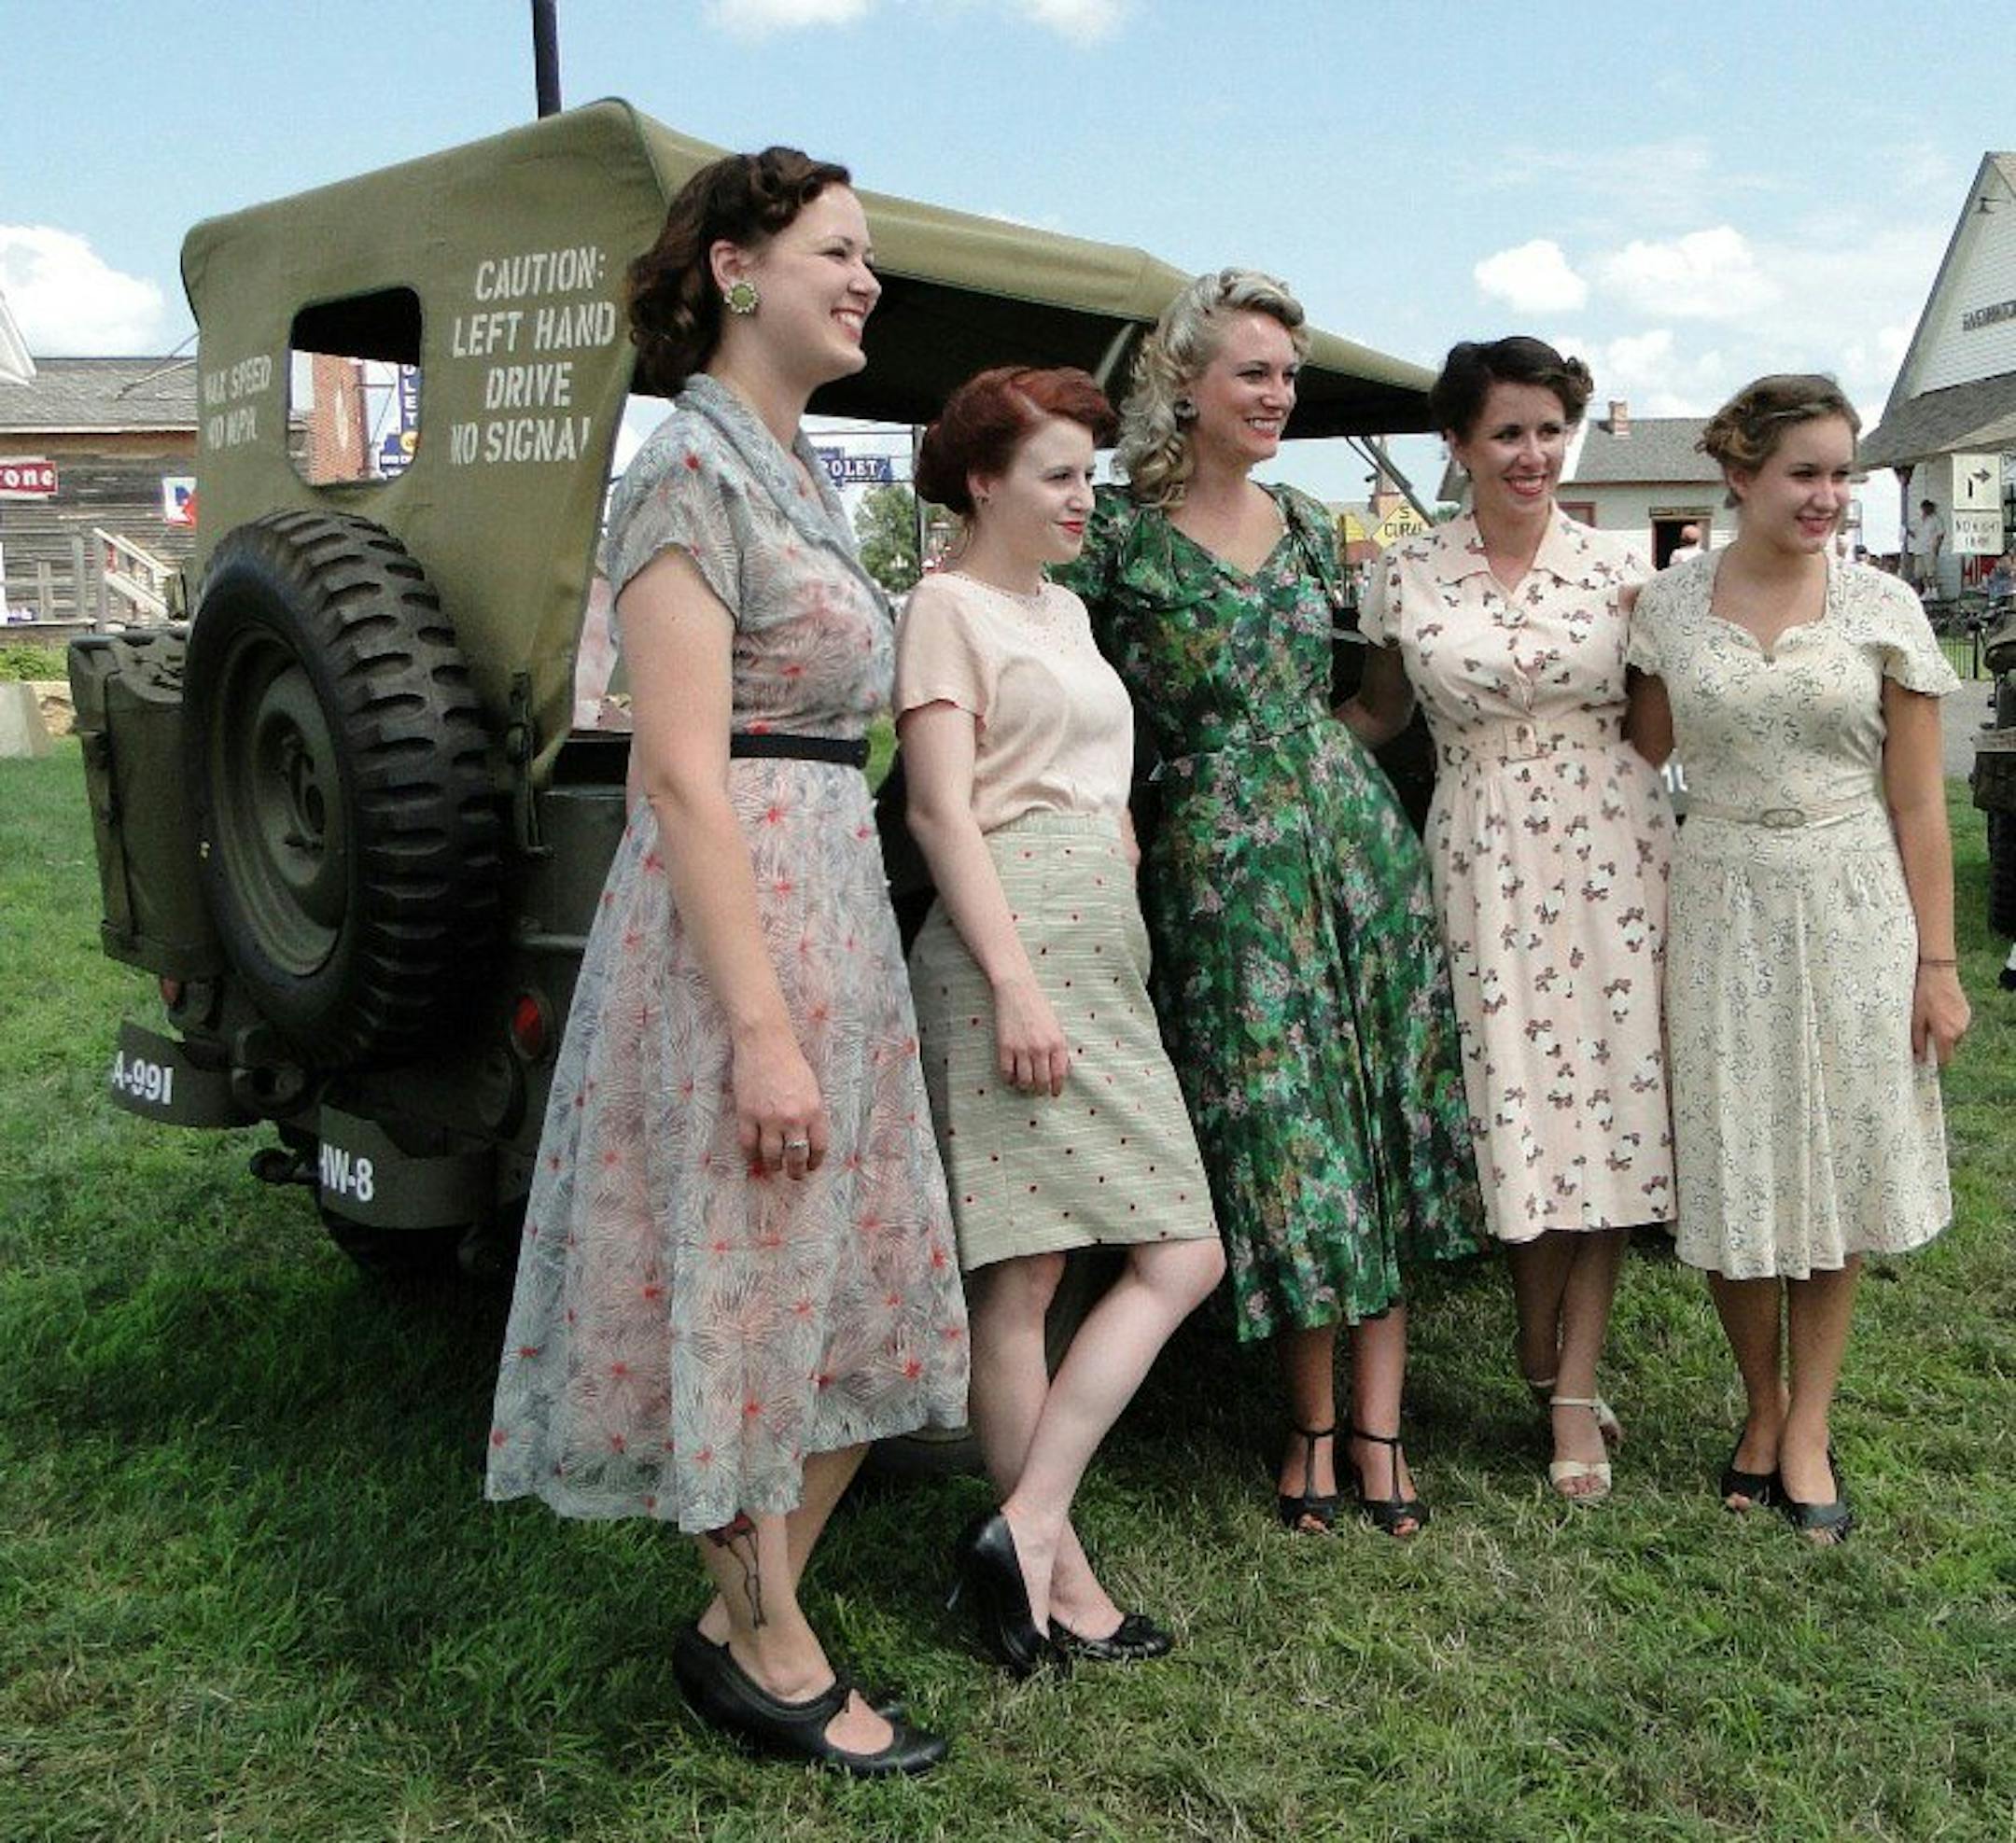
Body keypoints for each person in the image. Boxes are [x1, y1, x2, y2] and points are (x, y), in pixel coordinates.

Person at [485, 147, 968, 1774]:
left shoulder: (795, 472)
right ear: (736, 271)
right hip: (736, 932)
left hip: (829, 902)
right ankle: (769, 1647)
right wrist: (761, 1031)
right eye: (841, 250)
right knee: (747, 1281)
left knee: (842, 1293)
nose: (869, 280)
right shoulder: (686, 468)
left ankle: (738, 1619)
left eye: (871, 253)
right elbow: (678, 772)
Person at [1059, 270, 1483, 1540]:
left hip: (1355, 850)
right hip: (1219, 868)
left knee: (1379, 1121)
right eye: (1255, 371)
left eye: (1288, 375)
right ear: (1181, 383)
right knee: (1284, 1136)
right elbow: (1073, 708)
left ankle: (1383, 1425)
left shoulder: (1307, 523)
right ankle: (1307, 1421)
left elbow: (1368, 692)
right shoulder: (1115, 539)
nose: (1277, 394)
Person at [898, 365, 1225, 1671]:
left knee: (1170, 1251)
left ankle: (1025, 1533)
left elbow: (1097, 770)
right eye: (1057, 473)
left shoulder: (1068, 611)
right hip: (1009, 941)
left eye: (1089, 473)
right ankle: (1058, 1574)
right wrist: (1018, 979)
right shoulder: (945, 606)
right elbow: (937, 810)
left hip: (1099, 935)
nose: (1083, 496)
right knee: (1032, 1271)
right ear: (985, 480)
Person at [1627, 374, 1968, 1544]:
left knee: (1836, 1159)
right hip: (1717, 898)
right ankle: (1759, 1406)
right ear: (1739, 476)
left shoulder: (1882, 608)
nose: (1827, 496)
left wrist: (1938, 962)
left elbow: (1921, 804)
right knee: (1736, 1152)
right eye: (1805, 473)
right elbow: (1642, 747)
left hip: (1854, 898)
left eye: (1841, 474)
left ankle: (1809, 1422)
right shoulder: (1665, 607)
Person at [1342, 337, 1675, 1502]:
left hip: (1615, 854)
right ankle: (1535, 1339)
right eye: (1508, 434)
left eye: (1550, 430)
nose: (1533, 454)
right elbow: (1381, 716)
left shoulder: (1626, 570)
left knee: (1617, 1111)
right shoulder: (1404, 576)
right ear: (1459, 446)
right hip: (1478, 853)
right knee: (1518, 1108)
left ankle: (1573, 1386)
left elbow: (1654, 730)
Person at [1907, 497, 1946, 596]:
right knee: (1921, 572)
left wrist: (1937, 547)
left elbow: (1940, 534)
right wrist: (1907, 531)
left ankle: (1934, 590)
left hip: (1930, 548)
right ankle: (1927, 590)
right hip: (1919, 549)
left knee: (1931, 572)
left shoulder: (1936, 519)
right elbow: (1915, 534)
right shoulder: (1919, 520)